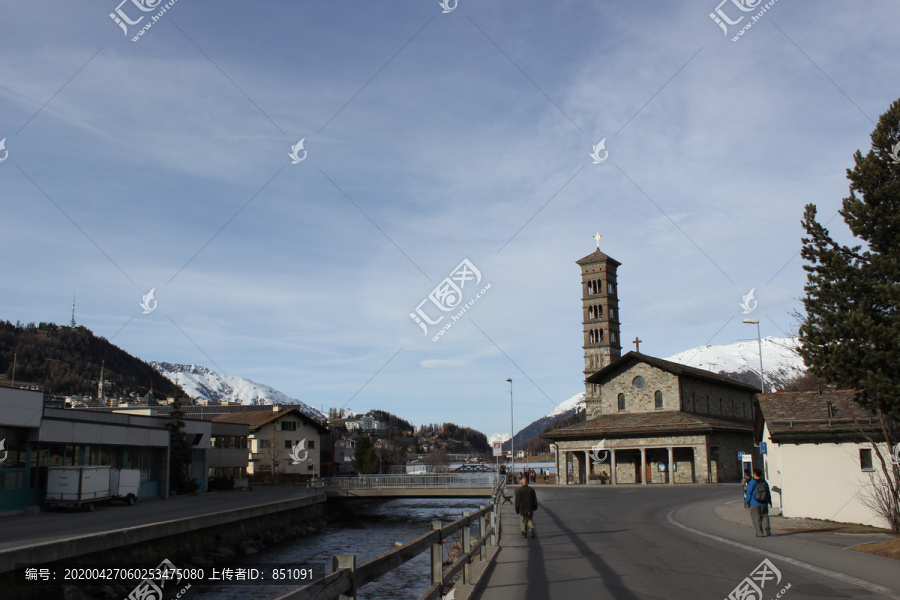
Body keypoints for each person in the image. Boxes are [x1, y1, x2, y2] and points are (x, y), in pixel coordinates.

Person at [744, 467, 772, 537]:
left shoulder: (752, 482)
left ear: (754, 474)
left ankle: (759, 533)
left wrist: (746, 503)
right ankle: (767, 528)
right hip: (764, 503)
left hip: (754, 503)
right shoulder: (764, 482)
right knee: (765, 516)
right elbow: (768, 493)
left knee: (756, 518)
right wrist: (769, 501)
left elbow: (749, 493)